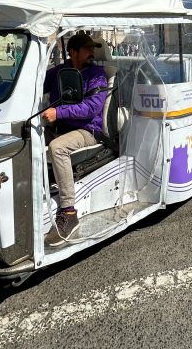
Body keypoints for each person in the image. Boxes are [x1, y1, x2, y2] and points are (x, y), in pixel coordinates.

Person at [42, 33, 108, 246]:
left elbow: (92, 107)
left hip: (88, 130)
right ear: (73, 52)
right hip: (61, 127)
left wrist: (58, 113)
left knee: (57, 148)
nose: (92, 53)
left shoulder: (97, 74)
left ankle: (69, 212)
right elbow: (35, 85)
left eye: (93, 49)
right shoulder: (60, 72)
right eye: (88, 49)